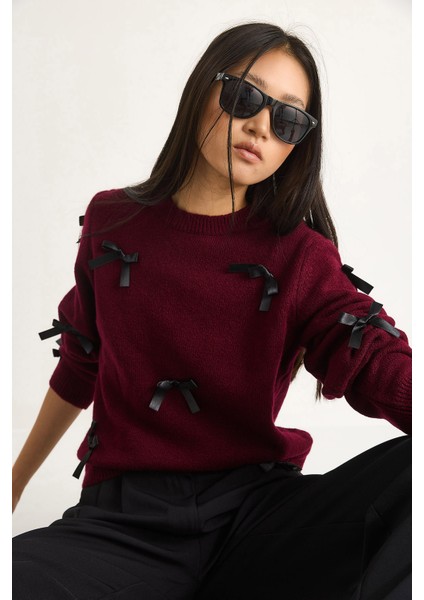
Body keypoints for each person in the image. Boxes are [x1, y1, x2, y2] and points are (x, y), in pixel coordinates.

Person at [12, 21, 411, 600]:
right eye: (245, 96)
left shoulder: (300, 254)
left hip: (259, 521)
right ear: (203, 89)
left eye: (288, 120)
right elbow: (81, 360)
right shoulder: (111, 222)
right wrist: (14, 482)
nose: (260, 126)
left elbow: (370, 353)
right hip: (124, 527)